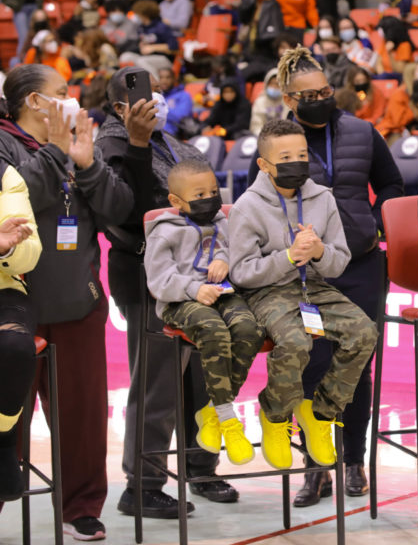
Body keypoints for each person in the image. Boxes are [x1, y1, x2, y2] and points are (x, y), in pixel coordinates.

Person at [245, 47, 402, 503]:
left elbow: (392, 183)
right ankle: (316, 465)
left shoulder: (361, 130)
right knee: (311, 362)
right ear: (288, 99)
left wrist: (374, 219)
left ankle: (353, 460)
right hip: (305, 270)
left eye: (325, 92)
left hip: (362, 262)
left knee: (358, 362)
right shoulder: (280, 144)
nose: (319, 99)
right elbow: (256, 197)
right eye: (307, 94)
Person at [96, 67, 238, 518]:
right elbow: (128, 210)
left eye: (159, 89)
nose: (155, 97)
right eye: (143, 92)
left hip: (200, 275)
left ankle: (201, 466)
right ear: (120, 107)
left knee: (201, 372)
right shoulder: (109, 147)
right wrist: (137, 144)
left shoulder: (177, 144)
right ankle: (142, 484)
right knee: (157, 382)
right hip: (146, 273)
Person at [0, 63, 128, 541]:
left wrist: (89, 164)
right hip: (15, 301)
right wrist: (55, 152)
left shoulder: (81, 138)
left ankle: (81, 507)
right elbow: (17, 201)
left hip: (78, 299)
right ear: (34, 101)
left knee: (83, 417)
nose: (72, 98)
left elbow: (118, 210)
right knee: (5, 417)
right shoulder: (3, 143)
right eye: (63, 91)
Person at [228, 119, 377, 470]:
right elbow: (241, 274)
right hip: (267, 292)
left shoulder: (322, 198)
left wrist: (319, 251)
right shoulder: (246, 207)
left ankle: (320, 414)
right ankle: (275, 416)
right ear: (264, 164)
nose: (296, 162)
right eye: (285, 157)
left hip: (316, 286)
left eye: (301, 155)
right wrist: (288, 257)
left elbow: (339, 262)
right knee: (296, 343)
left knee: (364, 333)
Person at [144, 159, 265, 467]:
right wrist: (193, 290)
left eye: (213, 191)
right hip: (180, 302)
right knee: (213, 331)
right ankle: (227, 418)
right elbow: (159, 281)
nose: (210, 198)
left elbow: (236, 250)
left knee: (249, 328)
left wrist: (225, 259)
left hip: (223, 294)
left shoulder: (225, 221)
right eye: (199, 195)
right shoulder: (163, 232)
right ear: (175, 200)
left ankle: (212, 410)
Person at [0, 156, 40, 503]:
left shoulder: (6, 175)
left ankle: (3, 440)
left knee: (15, 346)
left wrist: (7, 246)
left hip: (4, 288)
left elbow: (30, 251)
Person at [120, 0, 178, 77]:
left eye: (138, 14)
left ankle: (155, 86)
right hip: (147, 56)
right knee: (125, 57)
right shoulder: (141, 27)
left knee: (141, 61)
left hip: (164, 58)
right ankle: (132, 85)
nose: (136, 16)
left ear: (145, 15)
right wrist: (142, 45)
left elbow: (173, 46)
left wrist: (152, 47)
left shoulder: (161, 27)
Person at [0, 0, 43, 66]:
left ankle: (34, 62)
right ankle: (22, 63)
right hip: (20, 8)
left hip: (34, 7)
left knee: (34, 36)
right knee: (23, 37)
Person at [158, 67, 194, 138]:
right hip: (156, 133)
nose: (164, 81)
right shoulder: (158, 96)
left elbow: (181, 118)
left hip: (175, 136)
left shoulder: (184, 95)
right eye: (161, 78)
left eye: (168, 78)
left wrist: (159, 107)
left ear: (174, 79)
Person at [251, 70, 290, 135]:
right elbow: (256, 126)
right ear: (266, 84)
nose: (274, 87)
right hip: (263, 137)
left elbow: (289, 123)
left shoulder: (287, 102)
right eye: (271, 83)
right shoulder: (259, 102)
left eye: (277, 84)